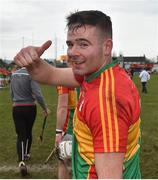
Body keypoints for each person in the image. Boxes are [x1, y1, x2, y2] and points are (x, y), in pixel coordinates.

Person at [14, 10, 141, 179]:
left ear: (107, 47)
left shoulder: (106, 99)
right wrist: (32, 60)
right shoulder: (97, 75)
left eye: (83, 44)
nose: (73, 52)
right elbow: (50, 74)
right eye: (70, 44)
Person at [10, 67, 49, 176]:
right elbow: (38, 94)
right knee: (27, 132)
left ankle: (23, 158)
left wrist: (14, 102)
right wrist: (45, 108)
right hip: (30, 107)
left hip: (17, 107)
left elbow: (11, 93)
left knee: (21, 134)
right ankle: (24, 156)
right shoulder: (31, 75)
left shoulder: (13, 75)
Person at [55, 85, 78, 178]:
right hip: (88, 129)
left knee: (62, 161)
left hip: (69, 128)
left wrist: (58, 133)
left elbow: (62, 107)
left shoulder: (64, 79)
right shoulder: (90, 74)